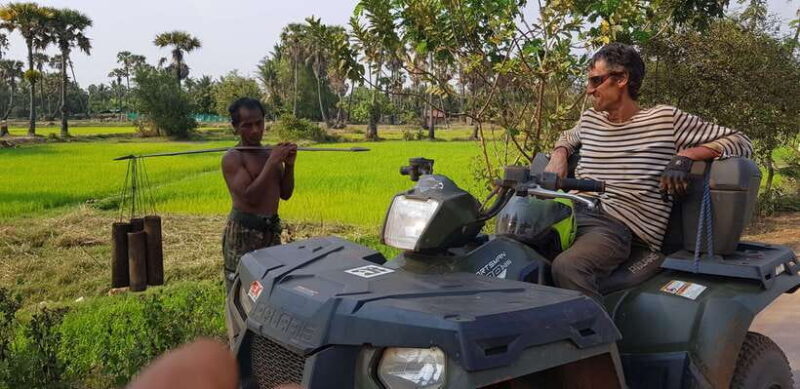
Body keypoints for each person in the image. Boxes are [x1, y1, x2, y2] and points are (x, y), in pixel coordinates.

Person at [544, 42, 752, 300]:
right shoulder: (590, 120)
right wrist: (559, 154)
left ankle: (599, 340)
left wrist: (685, 157)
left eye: (596, 81)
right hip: (574, 211)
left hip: (620, 227)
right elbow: (567, 136)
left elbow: (740, 141)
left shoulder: (664, 119)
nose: (589, 90)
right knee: (508, 246)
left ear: (621, 78)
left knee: (569, 267)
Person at [221, 97, 297, 291]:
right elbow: (250, 198)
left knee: (270, 288)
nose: (255, 130)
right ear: (235, 127)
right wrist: (272, 163)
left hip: (270, 232)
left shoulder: (268, 153)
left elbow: (286, 194)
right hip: (244, 233)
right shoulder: (233, 158)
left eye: (259, 123)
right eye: (247, 125)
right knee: (241, 289)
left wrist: (289, 165)